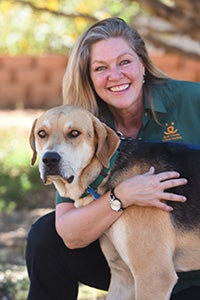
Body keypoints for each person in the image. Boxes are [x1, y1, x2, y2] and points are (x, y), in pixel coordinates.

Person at [26, 17, 200, 300]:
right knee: (46, 237)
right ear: (89, 77)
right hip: (133, 263)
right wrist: (121, 197)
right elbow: (69, 231)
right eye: (101, 68)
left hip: (186, 270)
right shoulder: (85, 123)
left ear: (143, 64)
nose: (115, 75)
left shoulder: (191, 99)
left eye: (125, 62)